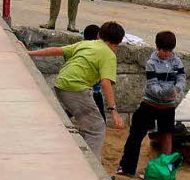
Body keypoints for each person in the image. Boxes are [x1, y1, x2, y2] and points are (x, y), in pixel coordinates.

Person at [27, 21, 125, 156]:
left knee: (84, 123)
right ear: (116, 44)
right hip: (76, 89)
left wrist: (30, 53)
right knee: (96, 128)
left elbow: (57, 50)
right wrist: (113, 111)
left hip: (61, 84)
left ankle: (79, 152)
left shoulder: (86, 44)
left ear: (99, 35)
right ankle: (92, 167)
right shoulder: (109, 55)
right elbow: (105, 83)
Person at [117, 30, 187, 175]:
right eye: (164, 50)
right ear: (157, 48)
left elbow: (181, 77)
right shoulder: (151, 63)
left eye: (169, 51)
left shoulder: (177, 61)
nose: (166, 54)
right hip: (150, 103)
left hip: (168, 105)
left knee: (167, 135)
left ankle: (164, 170)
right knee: (137, 133)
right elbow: (152, 85)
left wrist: (177, 89)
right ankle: (127, 167)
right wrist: (166, 92)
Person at [82, 24, 106, 121]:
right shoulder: (99, 52)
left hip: (82, 90)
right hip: (91, 91)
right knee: (101, 119)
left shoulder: (81, 47)